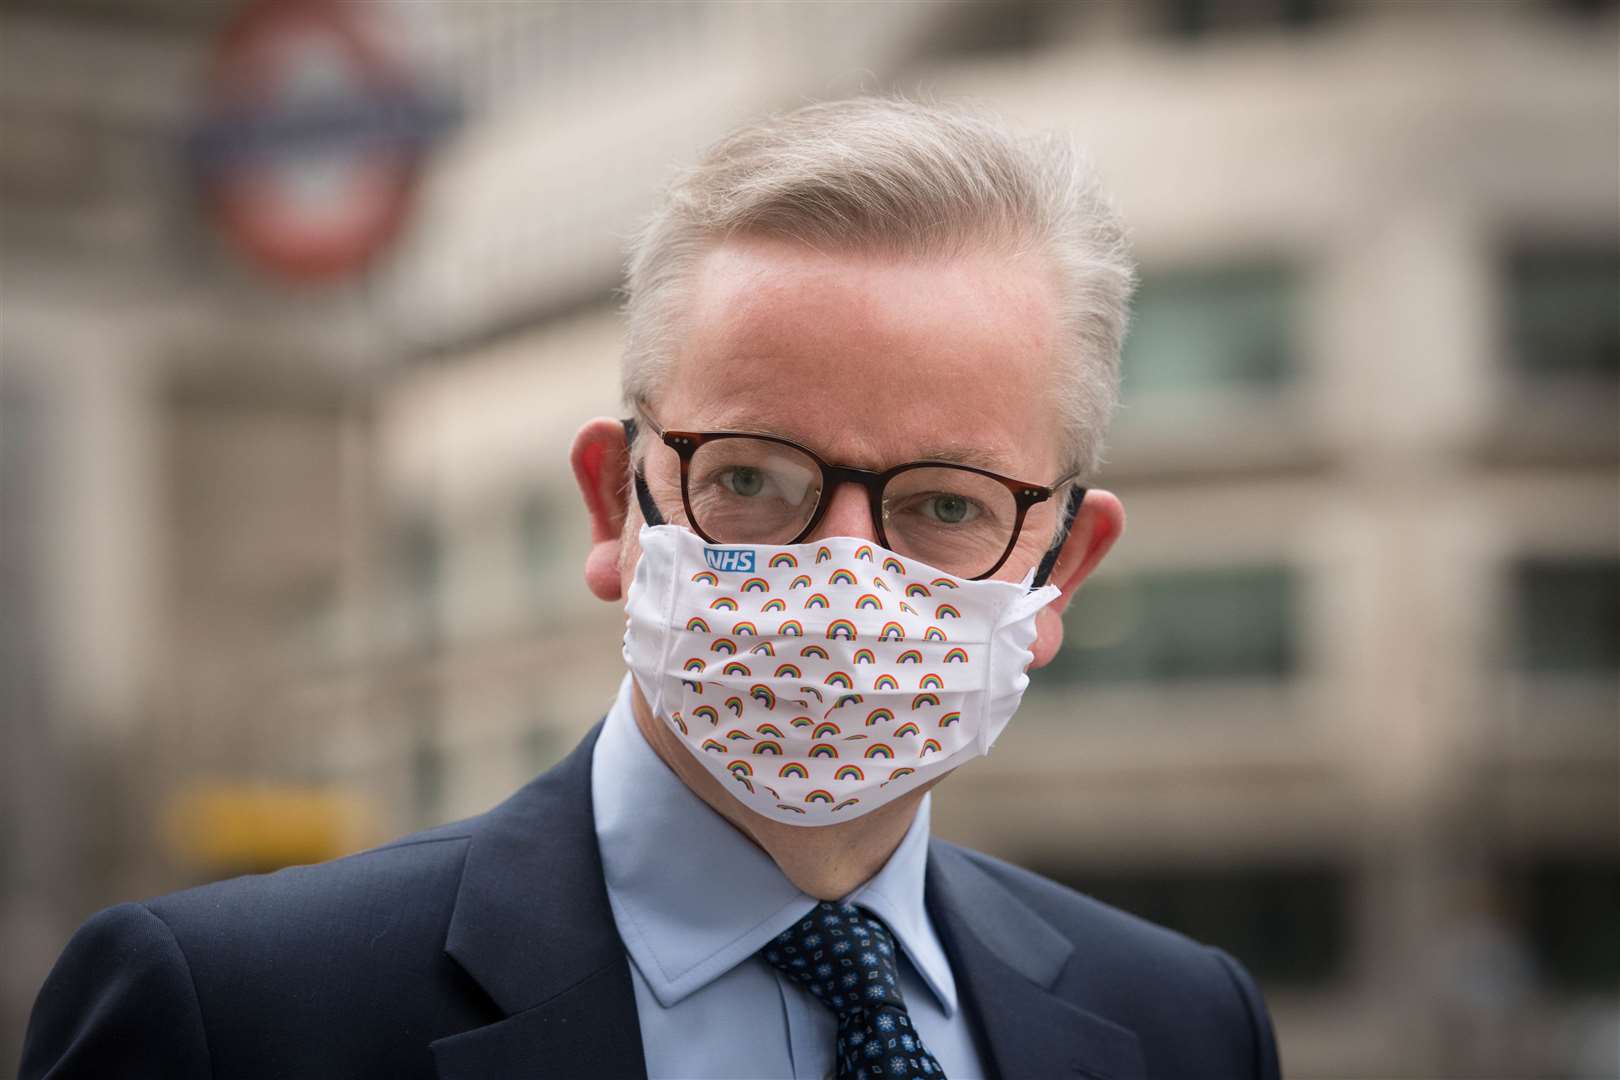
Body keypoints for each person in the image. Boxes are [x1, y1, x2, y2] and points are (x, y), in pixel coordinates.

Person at [21, 97, 1280, 1080]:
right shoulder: (233, 1022)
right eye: (752, 479)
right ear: (614, 503)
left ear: (1060, 567)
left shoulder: (1182, 1027)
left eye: (945, 505)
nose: (837, 572)